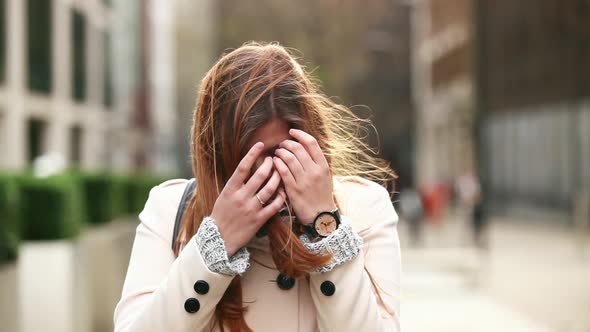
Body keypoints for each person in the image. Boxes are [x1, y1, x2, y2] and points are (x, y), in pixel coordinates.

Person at [113, 41, 401, 332]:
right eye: (244, 160)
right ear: (215, 154)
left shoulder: (363, 207)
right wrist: (214, 246)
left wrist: (325, 224)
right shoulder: (171, 208)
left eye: (278, 153)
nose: (263, 173)